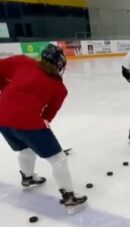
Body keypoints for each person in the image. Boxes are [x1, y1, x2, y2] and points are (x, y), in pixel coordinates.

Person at [0, 44, 87, 210]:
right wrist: (36, 125)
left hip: (2, 118)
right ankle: (69, 197)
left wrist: (4, 90)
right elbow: (48, 114)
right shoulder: (59, 88)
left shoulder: (22, 62)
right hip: (27, 122)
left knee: (25, 149)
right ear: (60, 65)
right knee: (58, 159)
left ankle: (28, 177)